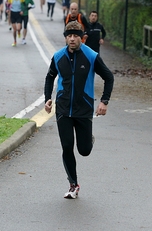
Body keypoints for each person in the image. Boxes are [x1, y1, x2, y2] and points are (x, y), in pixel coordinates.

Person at [44, 21, 114, 199]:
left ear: (82, 38)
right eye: (69, 36)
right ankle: (73, 184)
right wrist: (48, 99)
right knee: (67, 146)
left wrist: (104, 101)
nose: (72, 39)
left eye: (76, 36)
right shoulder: (58, 56)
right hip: (63, 108)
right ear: (66, 38)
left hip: (83, 108)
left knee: (84, 150)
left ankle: (88, 138)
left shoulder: (91, 56)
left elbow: (108, 77)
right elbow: (50, 76)